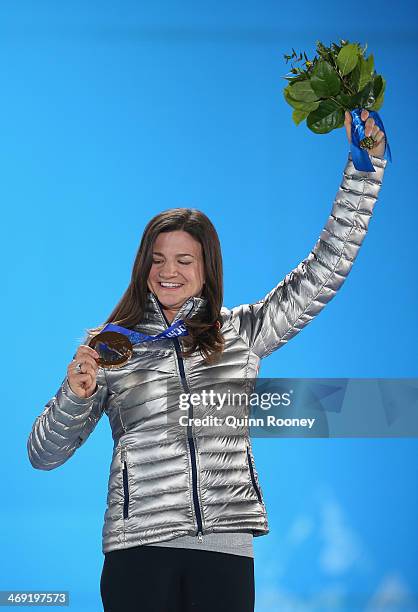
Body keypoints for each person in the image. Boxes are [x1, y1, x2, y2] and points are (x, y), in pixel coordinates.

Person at [27, 110, 388, 612]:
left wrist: (363, 173)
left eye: (183, 260)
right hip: (139, 550)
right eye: (158, 260)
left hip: (224, 549)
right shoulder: (112, 346)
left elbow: (324, 269)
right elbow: (43, 455)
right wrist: (74, 395)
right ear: (143, 267)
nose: (168, 271)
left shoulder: (241, 332)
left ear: (205, 268)